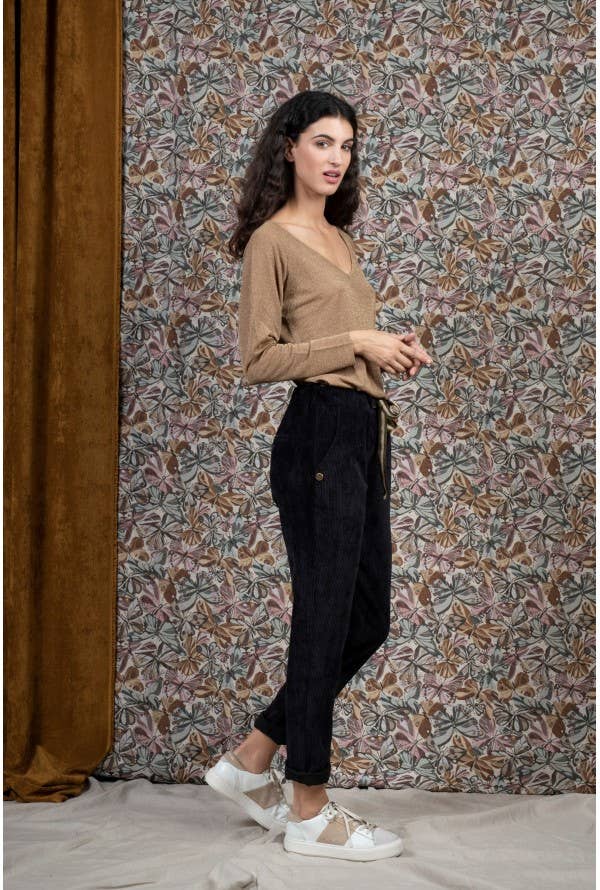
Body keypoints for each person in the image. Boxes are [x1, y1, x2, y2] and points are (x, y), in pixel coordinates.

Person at [205, 89, 433, 861]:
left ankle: (251, 760)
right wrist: (357, 342)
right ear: (290, 147)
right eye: (323, 142)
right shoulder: (272, 241)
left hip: (363, 432)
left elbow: (340, 337)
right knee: (324, 616)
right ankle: (307, 806)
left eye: (347, 145)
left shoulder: (338, 237)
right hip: (319, 437)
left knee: (366, 618)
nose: (337, 158)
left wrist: (385, 347)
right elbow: (258, 358)